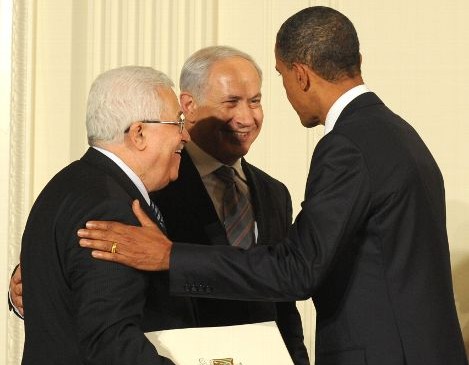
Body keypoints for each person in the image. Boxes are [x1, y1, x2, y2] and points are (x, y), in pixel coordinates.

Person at [76, 6, 468, 365]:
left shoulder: (345, 147)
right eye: (232, 102)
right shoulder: (398, 134)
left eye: (267, 89)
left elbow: (297, 270)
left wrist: (171, 256)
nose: (248, 117)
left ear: (300, 75)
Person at [9, 47, 309, 364]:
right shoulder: (137, 195)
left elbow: (282, 302)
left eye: (256, 100)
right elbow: (109, 336)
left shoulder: (273, 193)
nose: (247, 116)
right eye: (231, 102)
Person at [18, 66, 189, 364]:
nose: (185, 135)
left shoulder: (66, 184)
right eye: (178, 122)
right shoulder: (112, 209)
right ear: (138, 133)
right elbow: (110, 344)